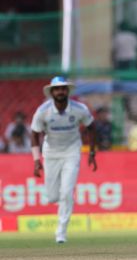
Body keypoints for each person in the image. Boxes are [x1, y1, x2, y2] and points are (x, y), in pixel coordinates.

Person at [30, 76, 97, 243]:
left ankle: (61, 233)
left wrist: (92, 153)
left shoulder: (79, 109)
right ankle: (61, 199)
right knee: (52, 196)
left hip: (72, 152)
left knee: (67, 192)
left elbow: (91, 128)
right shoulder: (43, 111)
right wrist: (37, 160)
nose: (61, 91)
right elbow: (34, 134)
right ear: (52, 92)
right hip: (51, 153)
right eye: (57, 89)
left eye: (63, 88)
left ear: (67, 91)